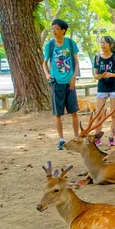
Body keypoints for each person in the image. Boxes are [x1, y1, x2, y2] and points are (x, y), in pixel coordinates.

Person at [42, 19, 80, 150]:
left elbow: (76, 62)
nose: (54, 31)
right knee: (58, 113)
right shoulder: (50, 45)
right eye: (53, 28)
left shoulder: (70, 43)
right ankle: (61, 139)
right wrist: (47, 75)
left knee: (74, 112)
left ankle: (77, 137)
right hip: (56, 82)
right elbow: (44, 63)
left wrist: (74, 77)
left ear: (63, 30)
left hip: (70, 83)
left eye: (57, 28)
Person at [93, 36, 115, 146]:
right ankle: (97, 138)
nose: (102, 44)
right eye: (101, 42)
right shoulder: (97, 58)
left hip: (114, 88)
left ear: (111, 45)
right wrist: (101, 75)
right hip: (101, 88)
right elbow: (95, 76)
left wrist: (112, 74)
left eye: (105, 43)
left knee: (113, 114)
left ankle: (112, 138)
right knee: (99, 115)